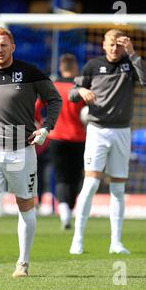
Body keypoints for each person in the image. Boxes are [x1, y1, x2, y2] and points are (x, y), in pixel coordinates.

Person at [0, 27, 62, 278]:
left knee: (25, 205)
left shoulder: (29, 73)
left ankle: (23, 264)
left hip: (22, 150)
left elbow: (54, 100)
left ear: (12, 47)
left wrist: (46, 128)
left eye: (4, 45)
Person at [68, 29, 146, 255]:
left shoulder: (129, 64)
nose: (115, 48)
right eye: (111, 44)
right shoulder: (92, 66)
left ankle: (115, 242)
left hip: (122, 132)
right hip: (97, 130)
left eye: (119, 44)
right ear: (103, 45)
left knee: (118, 188)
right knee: (91, 185)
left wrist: (133, 54)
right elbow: (71, 93)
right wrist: (82, 90)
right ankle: (77, 239)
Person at [35, 54, 86, 230]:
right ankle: (68, 210)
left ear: (61, 67)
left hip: (56, 138)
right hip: (78, 138)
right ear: (75, 67)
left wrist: (41, 123)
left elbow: (36, 108)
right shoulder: (80, 88)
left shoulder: (52, 86)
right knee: (75, 177)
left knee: (61, 176)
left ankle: (64, 212)